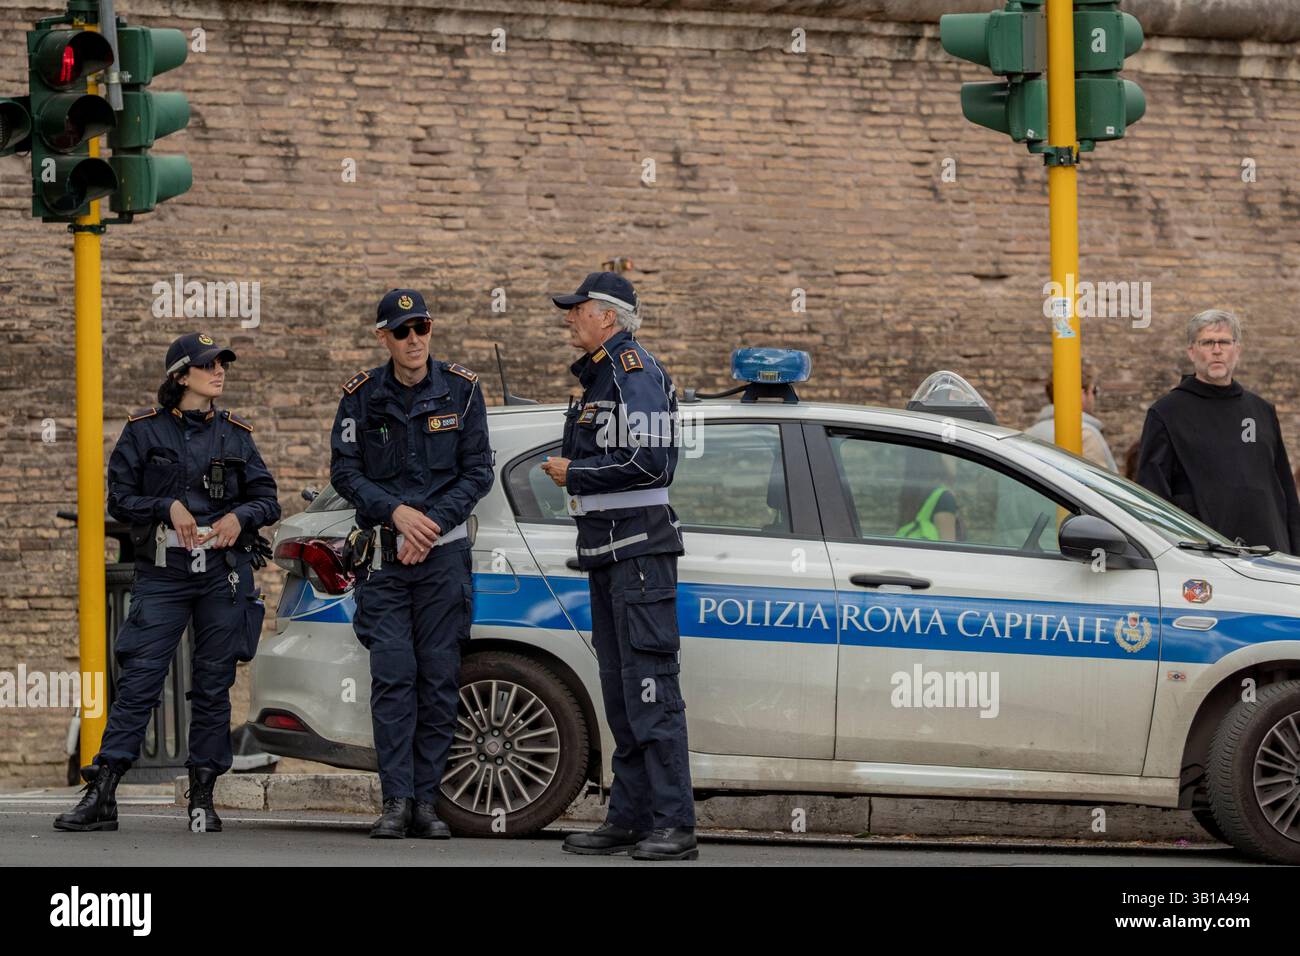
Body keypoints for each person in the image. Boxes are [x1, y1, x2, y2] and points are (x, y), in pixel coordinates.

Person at [55, 332, 280, 833]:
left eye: (222, 364)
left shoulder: (236, 434)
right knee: (138, 680)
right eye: (208, 365)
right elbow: (119, 501)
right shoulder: (143, 433)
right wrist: (166, 505)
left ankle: (202, 797)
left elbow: (269, 499)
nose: (219, 371)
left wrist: (239, 518)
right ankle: (104, 791)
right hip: (164, 571)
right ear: (180, 376)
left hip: (223, 574)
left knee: (213, 685)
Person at [540, 271, 696, 861]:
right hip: (606, 554)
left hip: (639, 554)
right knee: (622, 696)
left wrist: (574, 474)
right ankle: (629, 818)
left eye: (577, 309)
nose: (568, 317)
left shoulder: (635, 373)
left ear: (608, 316)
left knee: (652, 692)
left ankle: (675, 825)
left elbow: (653, 466)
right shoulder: (599, 376)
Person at [330, 288, 493, 839]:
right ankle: (396, 801)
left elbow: (477, 474)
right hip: (384, 562)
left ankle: (427, 802)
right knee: (394, 679)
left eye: (421, 326)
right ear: (383, 338)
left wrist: (430, 526)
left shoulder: (464, 391)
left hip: (442, 561)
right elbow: (345, 474)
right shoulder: (360, 397)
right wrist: (397, 514)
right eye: (401, 331)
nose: (414, 338)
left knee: (440, 680)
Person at [1137, 309, 1300, 553]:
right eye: (1207, 342)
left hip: (1271, 551)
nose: (1216, 350)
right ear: (1191, 351)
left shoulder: (1261, 410)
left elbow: (1284, 487)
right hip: (1206, 555)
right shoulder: (1167, 414)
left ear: (1237, 350)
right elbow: (1153, 496)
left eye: (1224, 342)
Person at [1024, 364, 1118, 471]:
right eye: (1094, 391)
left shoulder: (1028, 433)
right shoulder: (1086, 434)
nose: (1094, 399)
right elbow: (1099, 484)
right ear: (1081, 394)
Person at [896, 446, 964, 542]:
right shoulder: (944, 498)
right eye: (951, 456)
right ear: (937, 459)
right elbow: (948, 547)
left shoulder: (914, 493)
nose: (956, 461)